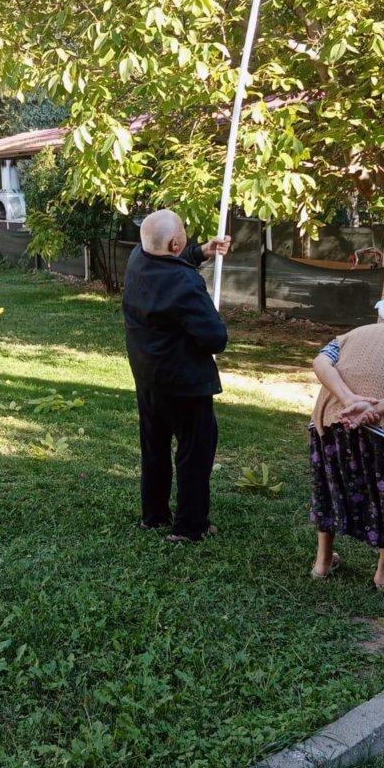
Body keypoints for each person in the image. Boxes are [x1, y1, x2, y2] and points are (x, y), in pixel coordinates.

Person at [123, 210, 230, 544]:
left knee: (154, 446)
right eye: (183, 235)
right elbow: (216, 338)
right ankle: (190, 527)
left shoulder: (137, 258)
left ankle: (153, 516)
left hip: (148, 376)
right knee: (195, 452)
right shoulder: (183, 284)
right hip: (184, 383)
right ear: (174, 242)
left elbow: (168, 257)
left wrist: (201, 251)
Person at [309, 294, 384, 588]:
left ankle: (322, 563)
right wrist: (373, 408)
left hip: (330, 422)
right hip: (383, 432)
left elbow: (320, 362)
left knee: (328, 487)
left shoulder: (350, 335)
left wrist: (348, 399)